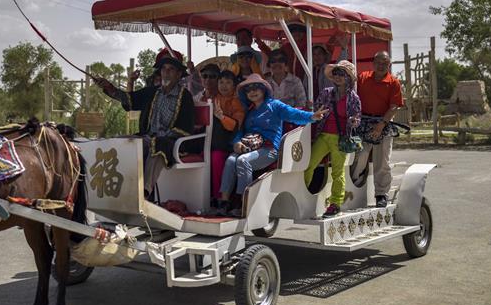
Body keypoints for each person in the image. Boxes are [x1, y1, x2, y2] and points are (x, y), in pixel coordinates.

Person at [216, 73, 327, 216]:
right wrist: (236, 142)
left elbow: (293, 114)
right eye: (249, 89)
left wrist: (312, 116)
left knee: (243, 161)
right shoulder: (249, 110)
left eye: (256, 88)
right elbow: (240, 130)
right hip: (248, 146)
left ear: (263, 90)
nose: (252, 91)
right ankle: (224, 203)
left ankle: (243, 203)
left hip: (269, 149)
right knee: (231, 160)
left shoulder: (275, 105)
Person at [94, 49, 195, 199]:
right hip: (147, 138)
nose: (166, 73)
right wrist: (109, 87)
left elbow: (186, 127)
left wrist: (160, 137)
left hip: (172, 142)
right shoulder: (152, 92)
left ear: (179, 74)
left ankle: (144, 193)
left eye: (171, 70)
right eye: (164, 69)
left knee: (157, 145)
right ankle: (118, 188)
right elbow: (129, 100)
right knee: (120, 142)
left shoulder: (185, 96)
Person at [304, 60, 362, 218]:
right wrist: (312, 108)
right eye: (335, 73)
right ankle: (304, 195)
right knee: (309, 165)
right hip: (323, 135)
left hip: (340, 138)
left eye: (341, 74)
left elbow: (358, 117)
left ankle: (335, 204)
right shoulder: (326, 92)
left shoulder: (353, 98)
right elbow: (317, 107)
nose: (337, 76)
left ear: (348, 77)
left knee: (338, 172)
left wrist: (353, 121)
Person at [352, 51, 404, 208]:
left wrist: (381, 125)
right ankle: (355, 183)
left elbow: (394, 106)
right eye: (378, 63)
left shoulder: (394, 82)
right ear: (373, 63)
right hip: (364, 122)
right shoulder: (363, 78)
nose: (381, 66)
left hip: (384, 122)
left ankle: (381, 194)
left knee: (382, 161)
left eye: (385, 63)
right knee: (360, 155)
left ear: (389, 65)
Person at [209, 70, 245, 206]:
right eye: (221, 82)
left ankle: (219, 198)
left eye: (228, 82)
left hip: (229, 144)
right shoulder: (213, 99)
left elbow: (236, 126)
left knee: (216, 157)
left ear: (234, 86)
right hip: (212, 142)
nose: (224, 86)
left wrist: (222, 117)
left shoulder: (237, 102)